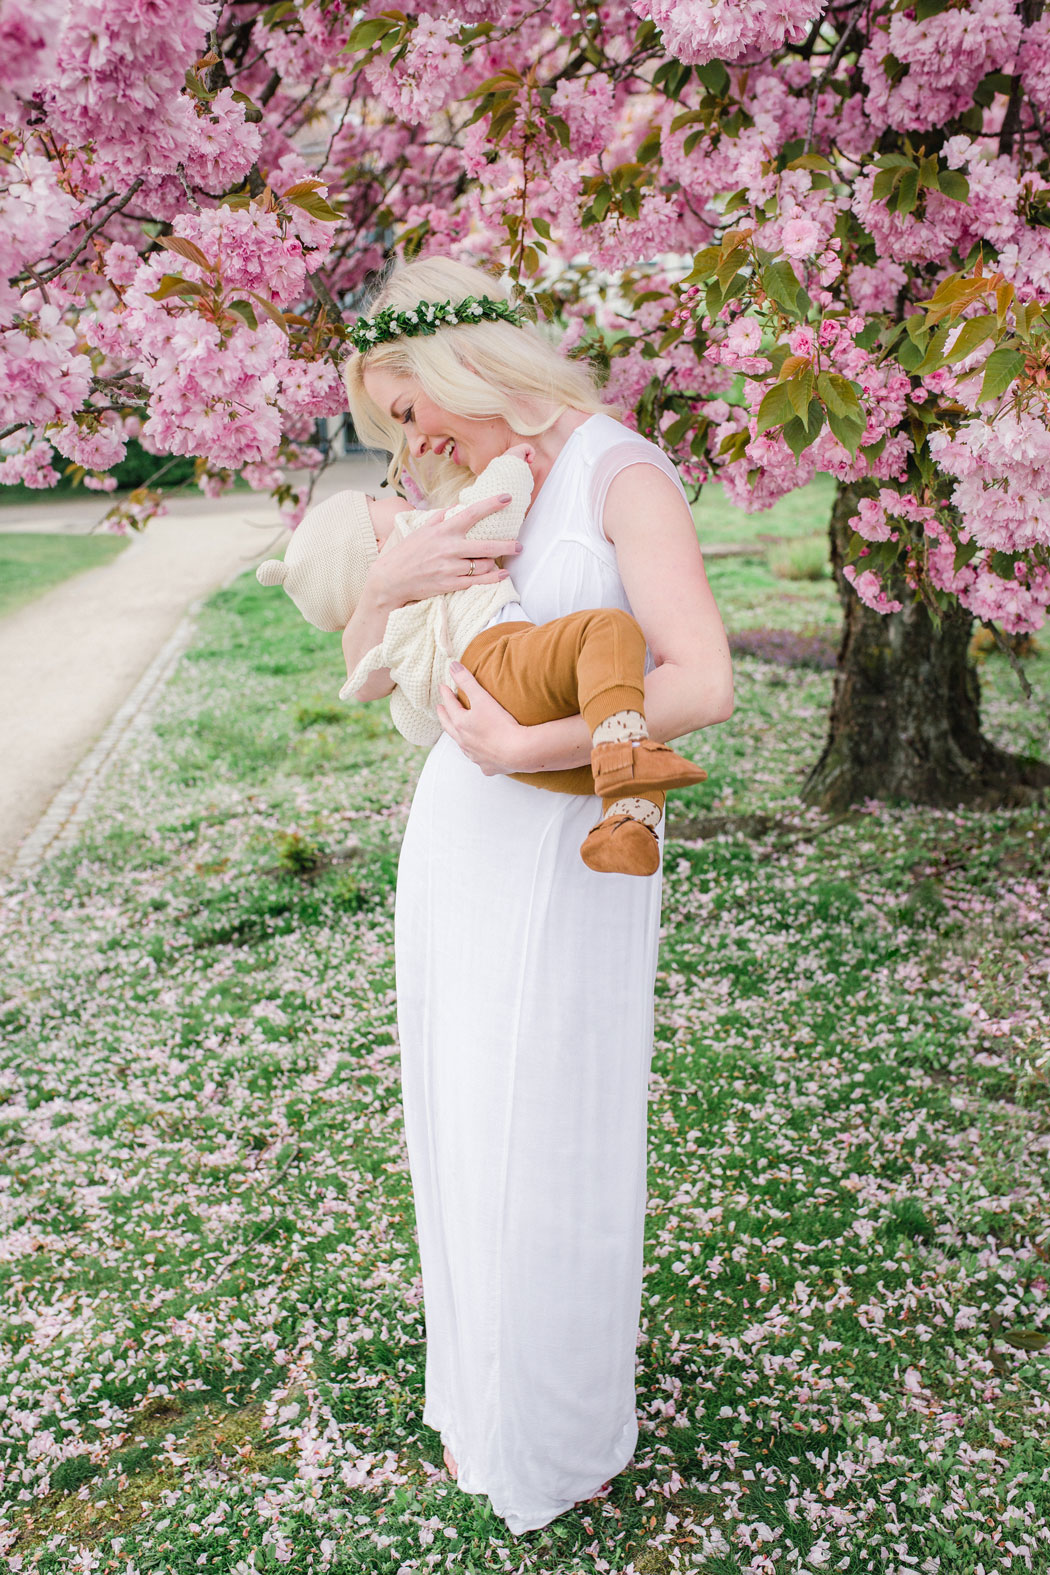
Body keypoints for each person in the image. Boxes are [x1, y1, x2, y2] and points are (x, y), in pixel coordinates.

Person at [340, 257, 733, 1535]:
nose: (415, 441)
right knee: (462, 1116)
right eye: (396, 426)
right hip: (457, 846)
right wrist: (385, 591)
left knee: (548, 1125)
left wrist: (526, 751)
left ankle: (558, 1431)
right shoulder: (481, 497)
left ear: (468, 366)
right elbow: (370, 662)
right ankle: (482, 1396)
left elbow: (701, 680)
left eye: (409, 410)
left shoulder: (619, 473)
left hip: (567, 851)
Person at [255, 442, 708, 876]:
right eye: (375, 499)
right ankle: (622, 750)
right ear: (374, 542)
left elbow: (408, 714)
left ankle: (624, 830)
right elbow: (489, 519)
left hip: (481, 716)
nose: (389, 494)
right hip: (499, 659)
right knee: (606, 631)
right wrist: (512, 466)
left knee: (610, 776)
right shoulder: (419, 541)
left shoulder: (397, 625)